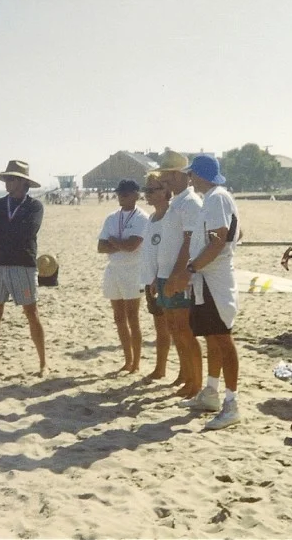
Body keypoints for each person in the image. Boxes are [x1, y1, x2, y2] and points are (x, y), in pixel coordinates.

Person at [169, 155, 242, 430]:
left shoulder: (216, 197)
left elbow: (218, 240)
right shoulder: (214, 198)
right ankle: (211, 392)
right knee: (213, 336)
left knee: (223, 337)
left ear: (199, 175)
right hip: (208, 276)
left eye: (192, 175)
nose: (190, 179)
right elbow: (230, 233)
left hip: (215, 277)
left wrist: (190, 269)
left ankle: (232, 403)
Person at [0, 160, 47, 375]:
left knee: (31, 311)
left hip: (22, 265)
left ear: (23, 182)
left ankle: (43, 362)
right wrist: (12, 230)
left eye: (11, 178)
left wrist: (4, 230)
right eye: (6, 177)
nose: (7, 181)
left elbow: (29, 232)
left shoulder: (34, 206)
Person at [158, 150, 204, 398]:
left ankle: (195, 382)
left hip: (179, 275)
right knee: (175, 328)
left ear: (180, 175)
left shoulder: (190, 203)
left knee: (185, 330)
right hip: (167, 273)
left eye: (169, 175)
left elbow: (190, 242)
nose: (165, 180)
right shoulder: (176, 202)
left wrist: (177, 274)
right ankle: (187, 375)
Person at [98, 178, 149, 373]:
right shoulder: (112, 217)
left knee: (132, 317)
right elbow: (101, 247)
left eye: (126, 194)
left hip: (133, 270)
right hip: (114, 269)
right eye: (119, 193)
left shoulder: (142, 218)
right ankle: (127, 360)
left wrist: (114, 242)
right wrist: (120, 244)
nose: (121, 197)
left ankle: (136, 362)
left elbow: (132, 246)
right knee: (119, 317)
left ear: (136, 195)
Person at [139, 171, 171, 380]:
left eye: (152, 189)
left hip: (166, 279)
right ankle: (160, 368)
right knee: (160, 328)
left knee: (176, 329)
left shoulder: (172, 216)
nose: (147, 194)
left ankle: (186, 375)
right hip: (151, 281)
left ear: (166, 191)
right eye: (146, 189)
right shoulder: (151, 218)